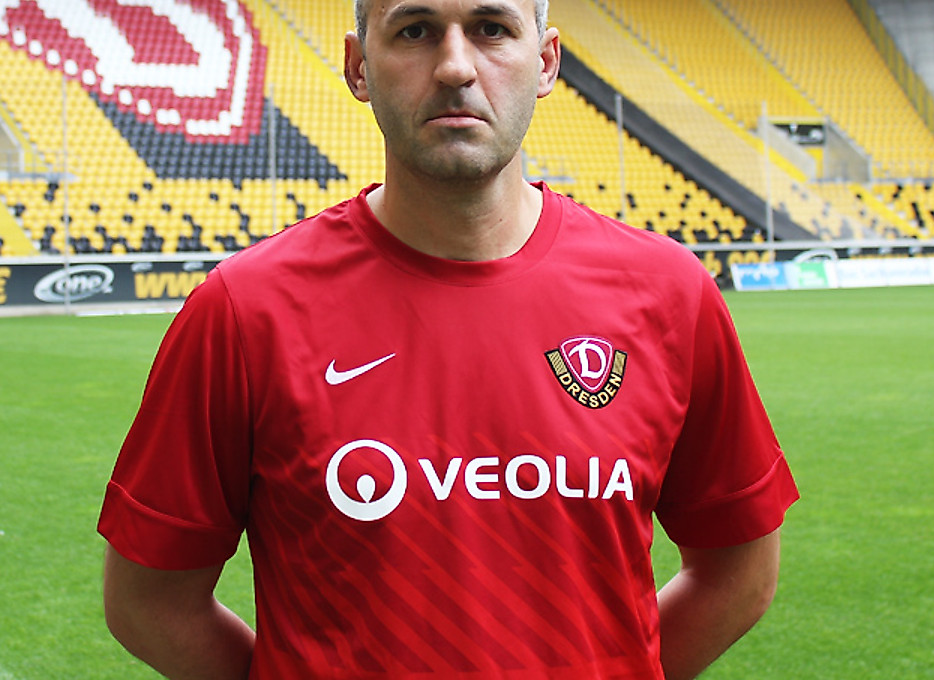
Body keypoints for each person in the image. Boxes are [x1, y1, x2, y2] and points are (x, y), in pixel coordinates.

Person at [98, 0, 798, 678]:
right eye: (415, 30)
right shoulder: (245, 311)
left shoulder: (668, 292)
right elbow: (149, 602)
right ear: (359, 67)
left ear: (546, 62)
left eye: (492, 28)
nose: (456, 66)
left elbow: (738, 570)